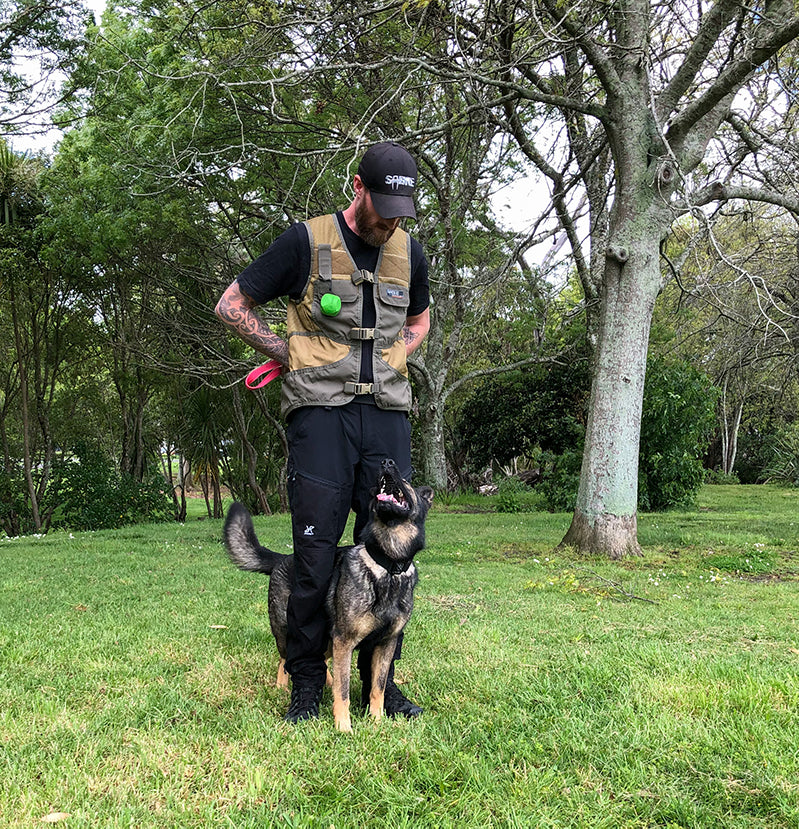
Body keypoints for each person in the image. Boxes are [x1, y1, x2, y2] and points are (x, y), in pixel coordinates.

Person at [215, 142, 431, 724]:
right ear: (357, 187)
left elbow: (419, 318)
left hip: (385, 414)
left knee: (389, 552)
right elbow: (232, 304)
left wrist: (398, 355)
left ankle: (379, 687)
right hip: (320, 414)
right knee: (315, 555)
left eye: (400, 212)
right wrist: (286, 351)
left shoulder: (409, 252)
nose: (389, 222)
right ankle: (308, 683)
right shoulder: (306, 242)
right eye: (382, 207)